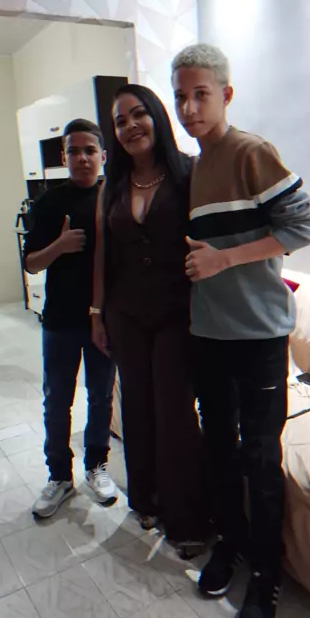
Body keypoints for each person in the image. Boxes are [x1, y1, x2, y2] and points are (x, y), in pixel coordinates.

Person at [171, 43, 310, 618]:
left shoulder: (252, 152)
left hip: (259, 336)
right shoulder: (191, 169)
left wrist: (225, 259)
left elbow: (301, 227)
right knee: (220, 449)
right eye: (180, 97)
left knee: (260, 454)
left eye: (200, 94)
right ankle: (230, 543)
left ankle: (266, 573)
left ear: (225, 94)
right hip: (208, 334)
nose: (189, 107)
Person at [91, 84, 210, 555]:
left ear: (157, 117)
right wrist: (98, 313)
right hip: (125, 314)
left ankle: (188, 519)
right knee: (137, 408)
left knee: (175, 411)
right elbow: (104, 254)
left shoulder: (189, 173)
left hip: (177, 313)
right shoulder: (113, 186)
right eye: (120, 121)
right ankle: (146, 499)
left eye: (138, 114)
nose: (130, 126)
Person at [23, 119, 118, 519]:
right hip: (60, 320)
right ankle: (60, 476)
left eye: (89, 150)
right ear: (64, 157)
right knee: (57, 400)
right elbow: (30, 264)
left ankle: (97, 466)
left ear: (103, 156)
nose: (82, 158)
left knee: (101, 396)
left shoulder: (114, 200)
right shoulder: (49, 203)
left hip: (104, 320)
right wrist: (59, 246)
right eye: (74, 151)